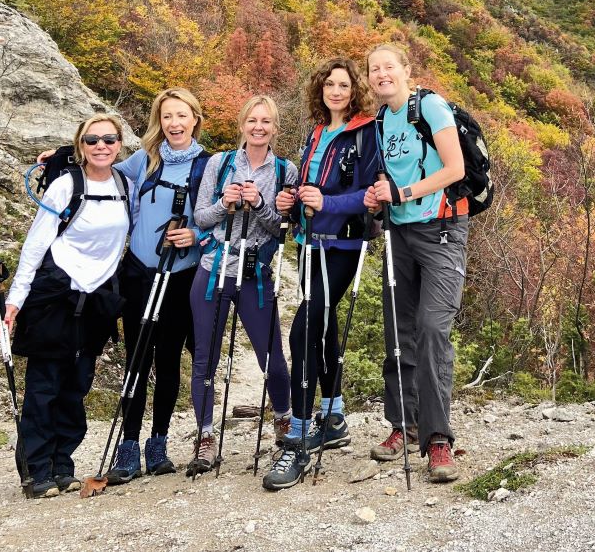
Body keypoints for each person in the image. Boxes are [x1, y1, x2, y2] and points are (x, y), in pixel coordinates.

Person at [262, 59, 382, 491]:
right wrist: (291, 202)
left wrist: (325, 203)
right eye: (329, 84)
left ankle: (296, 437)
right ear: (321, 89)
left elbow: (370, 196)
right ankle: (331, 416)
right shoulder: (315, 133)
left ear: (355, 91)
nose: (336, 91)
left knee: (304, 331)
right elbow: (310, 189)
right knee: (323, 326)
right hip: (309, 244)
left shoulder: (366, 131)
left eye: (344, 85)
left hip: (344, 244)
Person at [1, 115, 131, 499]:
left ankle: (63, 465)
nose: (101, 146)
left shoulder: (126, 184)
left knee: (76, 386)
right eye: (92, 140)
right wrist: (15, 301)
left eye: (109, 139)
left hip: (96, 301)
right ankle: (37, 470)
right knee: (45, 386)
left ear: (120, 144)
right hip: (56, 294)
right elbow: (35, 244)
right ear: (81, 146)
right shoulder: (65, 186)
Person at [362, 44, 468, 483]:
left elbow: (455, 168)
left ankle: (438, 439)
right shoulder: (379, 121)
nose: (382, 74)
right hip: (398, 234)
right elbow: (387, 180)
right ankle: (402, 426)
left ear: (406, 70)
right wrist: (376, 197)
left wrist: (404, 195)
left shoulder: (430, 106)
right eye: (374, 69)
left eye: (389, 67)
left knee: (431, 327)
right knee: (398, 329)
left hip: (442, 229)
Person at [187, 95, 298, 475]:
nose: (258, 127)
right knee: (205, 357)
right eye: (252, 120)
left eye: (266, 121)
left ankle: (284, 420)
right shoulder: (218, 164)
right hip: (212, 268)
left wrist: (262, 204)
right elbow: (201, 217)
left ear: (274, 127)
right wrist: (225, 204)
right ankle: (204, 436)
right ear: (242, 124)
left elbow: (286, 228)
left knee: (272, 355)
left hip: (255, 273)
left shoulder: (286, 170)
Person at [103, 88, 207, 483]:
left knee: (167, 361)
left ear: (195, 119)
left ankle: (158, 443)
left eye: (182, 116)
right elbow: (101, 167)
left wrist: (194, 234)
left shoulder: (208, 165)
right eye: (167, 117)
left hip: (182, 276)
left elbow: (217, 217)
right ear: (158, 121)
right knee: (136, 359)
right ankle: (127, 446)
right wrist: (61, 158)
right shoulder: (144, 159)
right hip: (140, 272)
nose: (174, 124)